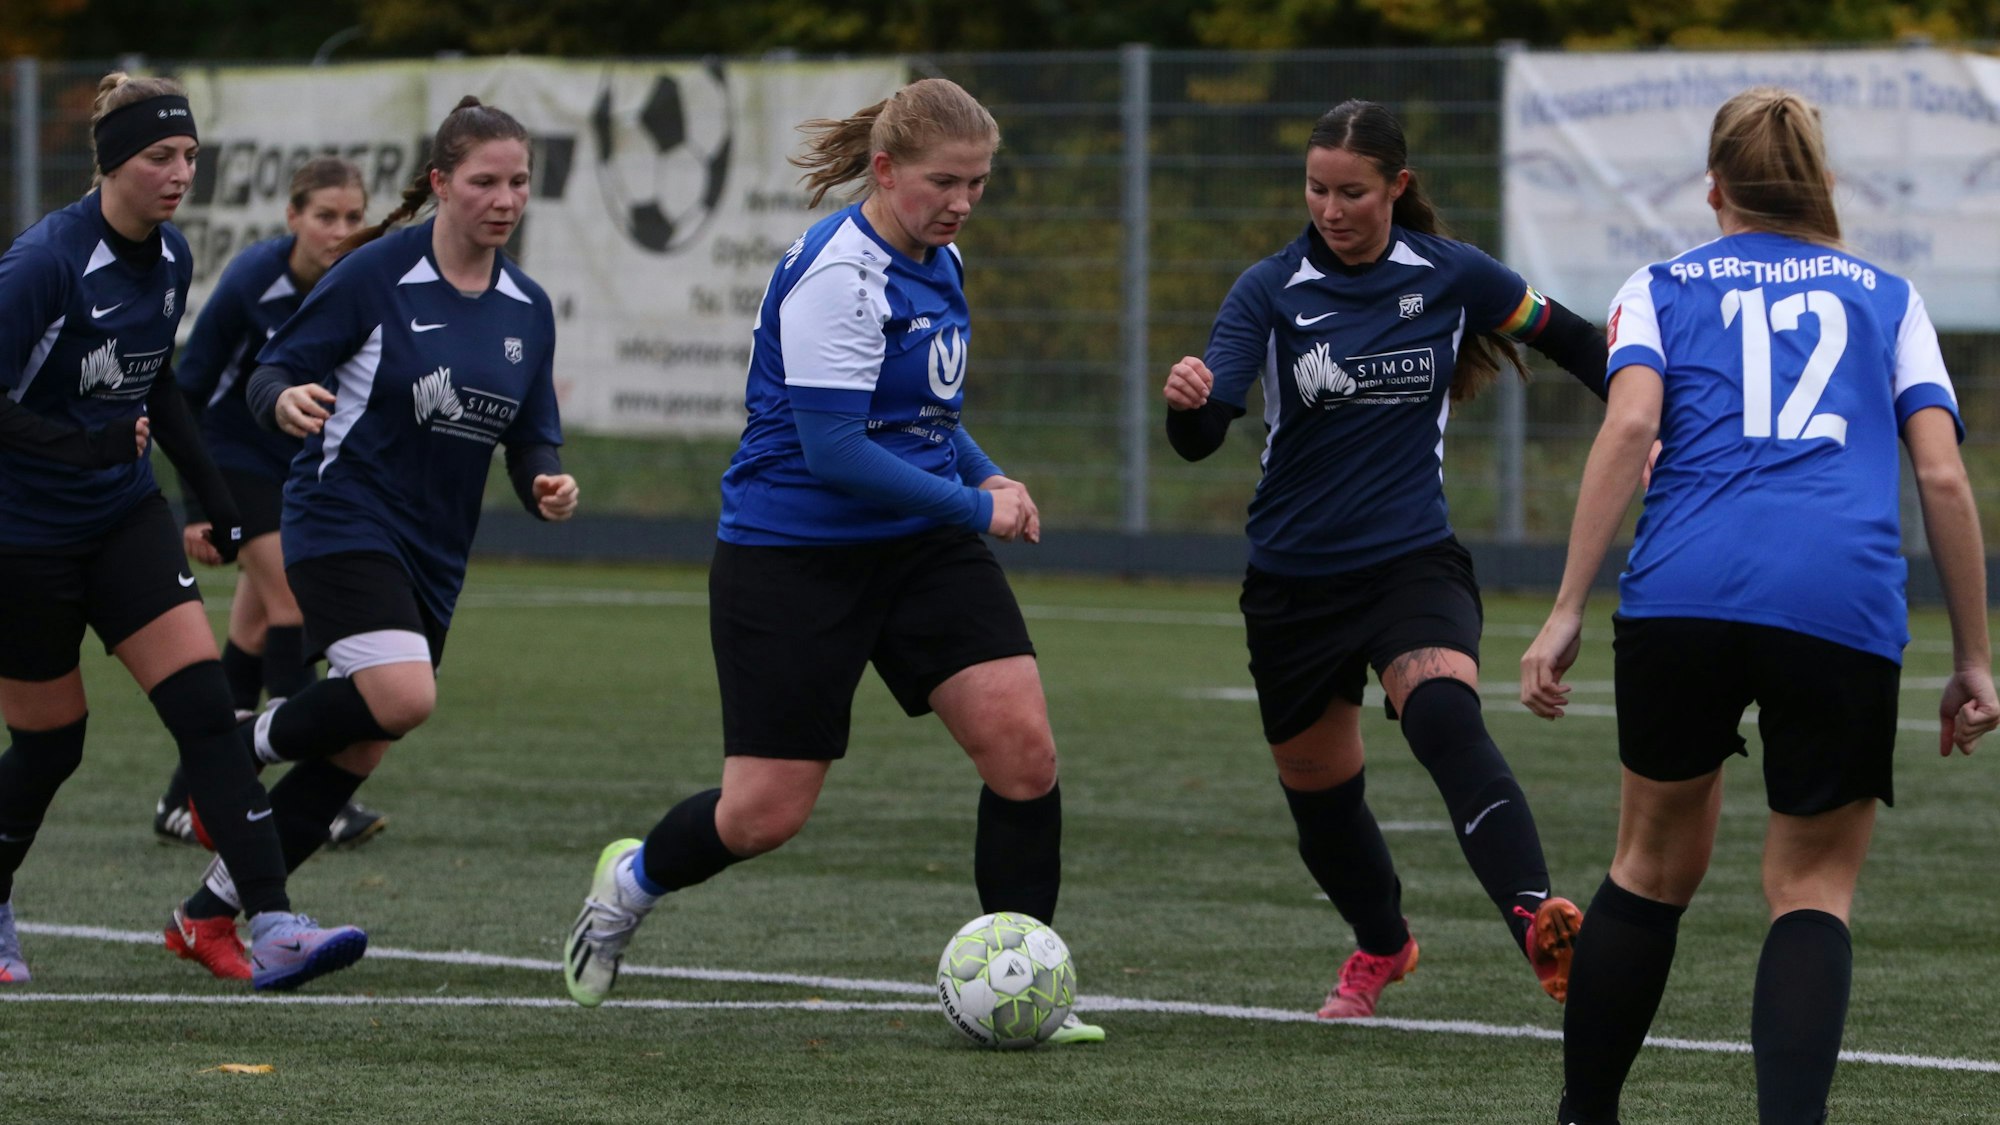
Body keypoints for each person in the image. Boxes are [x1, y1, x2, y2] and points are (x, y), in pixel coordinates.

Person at [560, 77, 1102, 1045]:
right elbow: (837, 452)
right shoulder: (839, 276)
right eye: (945, 182)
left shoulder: (939, 256)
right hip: (794, 555)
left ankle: (1026, 989)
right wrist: (976, 506)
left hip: (918, 544)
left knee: (1024, 753)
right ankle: (630, 882)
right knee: (761, 816)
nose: (963, 202)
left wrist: (984, 472)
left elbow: (927, 414)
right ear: (885, 170)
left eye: (978, 182)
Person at [1520, 86, 1999, 1125]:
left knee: (1648, 866)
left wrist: (1564, 607)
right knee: (1811, 889)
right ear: (1821, 184)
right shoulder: (1889, 297)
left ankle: (1584, 1115)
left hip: (1681, 593)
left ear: (1714, 189)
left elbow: (1628, 425)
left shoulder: (1658, 285)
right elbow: (1943, 477)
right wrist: (1973, 656)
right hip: (1838, 600)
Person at [1162, 99, 1608, 1020]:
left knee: (1444, 713)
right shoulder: (1268, 289)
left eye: (1353, 192)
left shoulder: (1453, 273)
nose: (1331, 209)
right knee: (1322, 803)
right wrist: (1188, 404)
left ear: (1397, 187)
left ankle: (1537, 918)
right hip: (1291, 584)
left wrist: (1659, 416)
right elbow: (1201, 439)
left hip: (1411, 562)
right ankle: (1382, 943)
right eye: (1316, 189)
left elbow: (1572, 339)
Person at [161, 96, 577, 969]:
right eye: (485, 181)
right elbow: (271, 369)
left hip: (436, 550)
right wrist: (283, 397)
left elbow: (532, 431)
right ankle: (236, 747)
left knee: (365, 738)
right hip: (342, 515)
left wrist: (545, 477)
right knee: (404, 696)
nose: (505, 199)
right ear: (441, 183)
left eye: (519, 182)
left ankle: (208, 914)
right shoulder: (377, 272)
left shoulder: (527, 307)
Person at [0, 71, 366, 991]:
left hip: (123, 516)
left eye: (191, 156)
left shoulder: (170, 255)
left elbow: (156, 381)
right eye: (160, 156)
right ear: (113, 162)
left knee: (206, 713)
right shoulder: (45, 263)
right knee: (51, 743)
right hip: (23, 539)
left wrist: (213, 497)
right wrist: (82, 445)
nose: (180, 173)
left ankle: (271, 922)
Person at [153, 156, 387, 852]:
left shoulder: (361, 280)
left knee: (253, 634)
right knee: (292, 605)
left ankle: (182, 799)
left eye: (353, 217)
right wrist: (199, 505)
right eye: (325, 216)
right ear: (293, 218)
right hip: (233, 461)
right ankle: (313, 794)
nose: (340, 231)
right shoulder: (254, 278)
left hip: (296, 472)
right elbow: (188, 391)